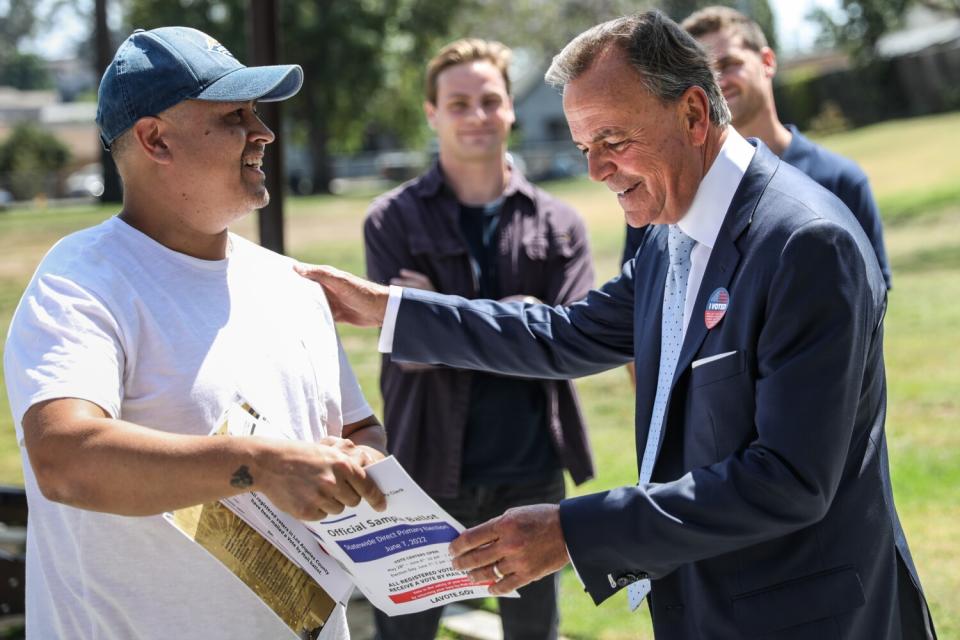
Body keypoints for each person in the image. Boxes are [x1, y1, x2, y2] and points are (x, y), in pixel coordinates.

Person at [298, 11, 936, 640]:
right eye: (584, 148)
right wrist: (385, 309)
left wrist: (574, 532)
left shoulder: (805, 244)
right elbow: (561, 333)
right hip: (706, 604)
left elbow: (789, 481)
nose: (597, 171)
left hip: (808, 617)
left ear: (692, 114)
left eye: (614, 141)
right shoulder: (670, 235)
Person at [3, 27, 387, 639]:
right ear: (155, 139)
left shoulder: (290, 283)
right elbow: (64, 459)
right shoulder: (79, 283)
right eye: (235, 115)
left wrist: (363, 460)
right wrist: (259, 464)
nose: (263, 133)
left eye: (256, 114)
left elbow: (353, 429)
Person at [364, 38, 595, 640]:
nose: (476, 115)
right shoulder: (391, 220)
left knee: (532, 633)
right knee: (404, 633)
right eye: (458, 103)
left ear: (511, 109)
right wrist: (520, 318)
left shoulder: (561, 223)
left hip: (530, 473)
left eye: (490, 100)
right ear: (432, 113)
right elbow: (408, 350)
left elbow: (566, 345)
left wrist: (430, 308)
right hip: (424, 474)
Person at [621, 5, 893, 292]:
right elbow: (637, 299)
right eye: (702, 73)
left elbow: (868, 298)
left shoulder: (840, 179)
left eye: (728, 64)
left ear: (767, 61)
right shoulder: (663, 188)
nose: (715, 82)